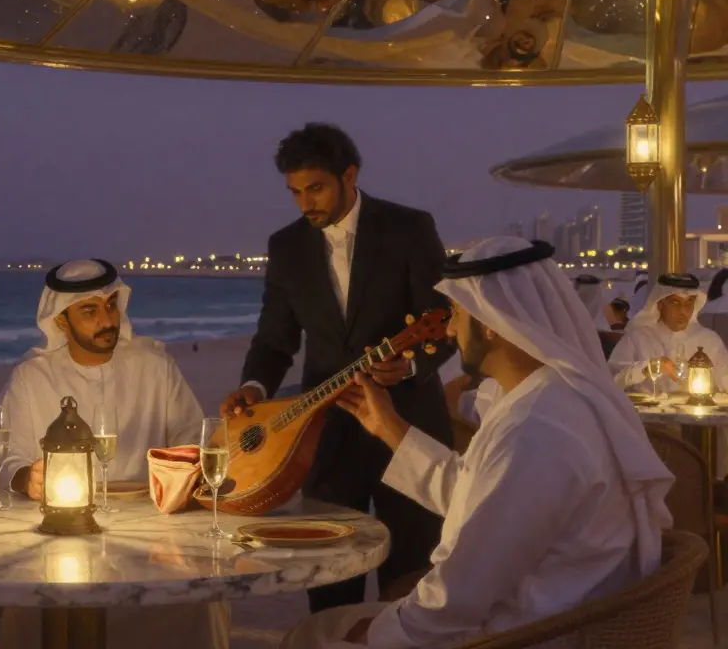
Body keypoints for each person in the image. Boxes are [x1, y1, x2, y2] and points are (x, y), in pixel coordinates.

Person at [279, 237, 673, 648]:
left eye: (456, 314)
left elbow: (464, 590)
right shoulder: (548, 398)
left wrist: (384, 633)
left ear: (490, 320)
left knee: (314, 636)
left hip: (530, 631)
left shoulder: (539, 429)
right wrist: (390, 427)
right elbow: (477, 498)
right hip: (548, 610)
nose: (449, 330)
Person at [221, 123, 455, 613]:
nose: (306, 203)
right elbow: (274, 337)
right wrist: (253, 386)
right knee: (327, 571)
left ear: (349, 176)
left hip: (407, 424)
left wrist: (410, 367)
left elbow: (443, 324)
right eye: (295, 192)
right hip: (321, 431)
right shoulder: (286, 246)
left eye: (316, 188)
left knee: (411, 574)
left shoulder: (409, 227)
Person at [0, 258, 218, 649]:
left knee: (196, 599)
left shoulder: (156, 366)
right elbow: (7, 458)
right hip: (59, 535)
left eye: (111, 306)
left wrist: (182, 469)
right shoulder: (33, 377)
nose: (107, 319)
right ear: (61, 321)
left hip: (151, 535)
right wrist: (24, 478)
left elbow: (193, 438)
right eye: (90, 311)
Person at [609, 272, 728, 395]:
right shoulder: (637, 337)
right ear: (660, 305)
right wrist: (647, 368)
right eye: (675, 303)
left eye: (689, 303)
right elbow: (611, 380)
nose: (683, 310)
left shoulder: (709, 340)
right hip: (646, 413)